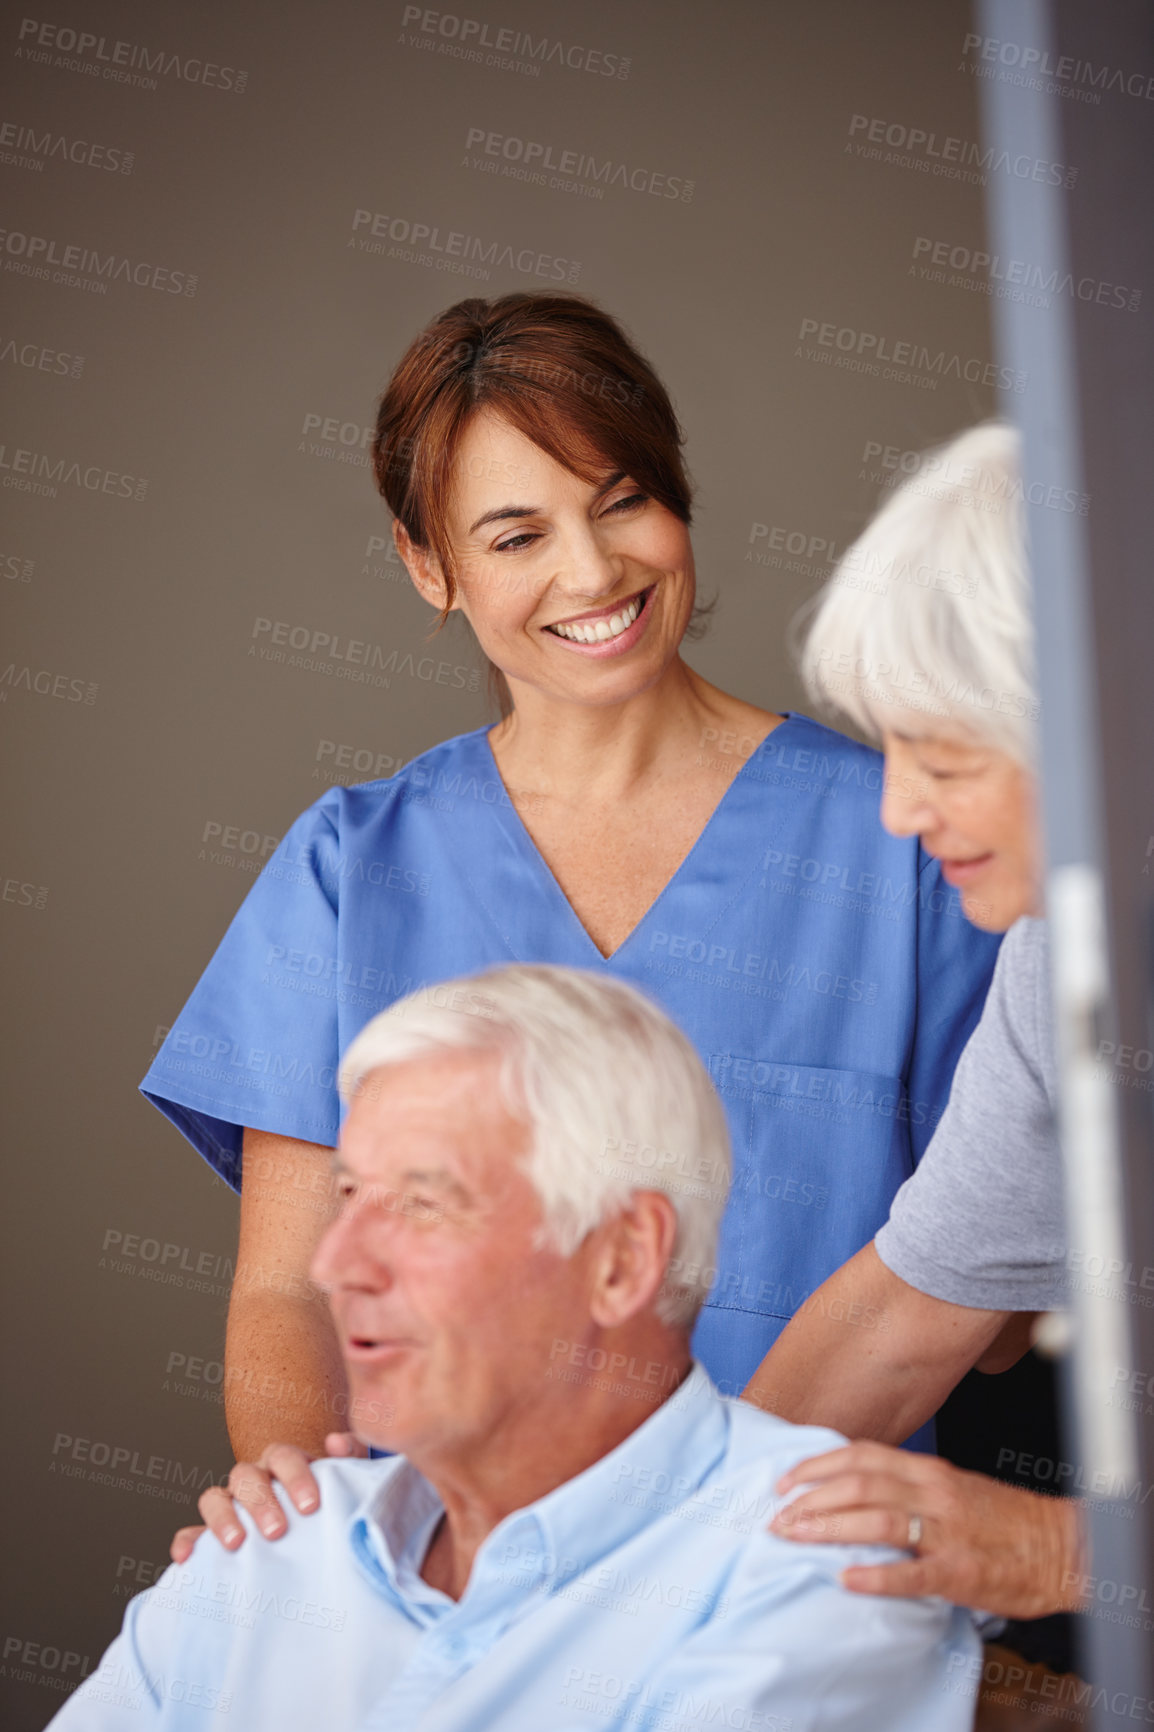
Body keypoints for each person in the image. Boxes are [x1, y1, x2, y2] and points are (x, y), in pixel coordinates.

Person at [140, 293, 998, 1473]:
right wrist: (312, 1550)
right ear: (426, 564)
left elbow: (990, 1282)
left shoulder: (908, 839)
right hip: (448, 1579)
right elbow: (289, 1291)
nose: (591, 571)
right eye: (513, 537)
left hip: (792, 1576)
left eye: (623, 503)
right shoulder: (352, 867)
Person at [56, 968, 981, 1731]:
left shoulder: (829, 1566)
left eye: (420, 1206)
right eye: (346, 1200)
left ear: (621, 1261)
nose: (337, 1266)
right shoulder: (264, 1546)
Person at [730, 422, 1085, 1622]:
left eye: (939, 753)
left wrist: (1057, 1552)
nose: (893, 810)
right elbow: (906, 1305)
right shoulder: (1054, 955)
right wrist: (659, 1563)